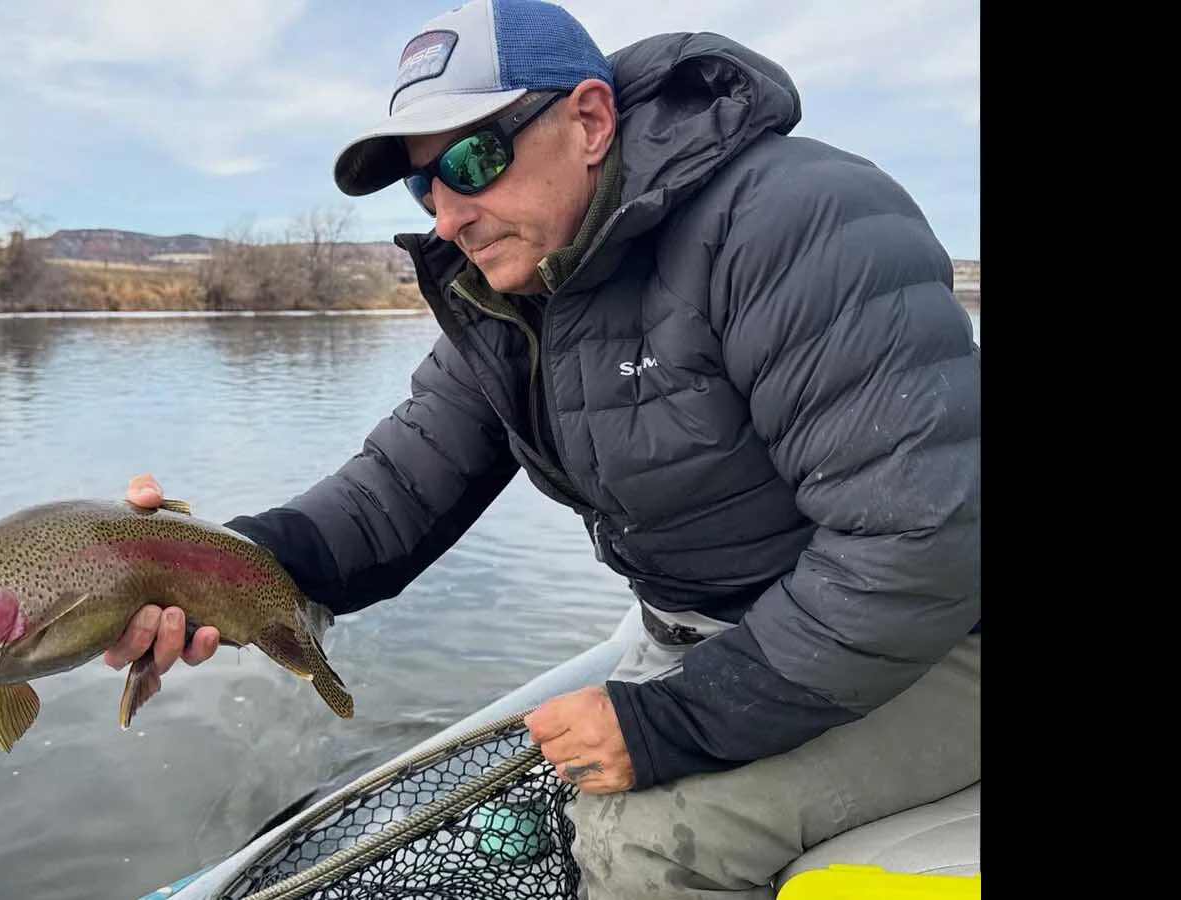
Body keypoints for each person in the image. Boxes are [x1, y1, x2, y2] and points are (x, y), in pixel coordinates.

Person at [103, 0, 980, 896]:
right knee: (540, 823)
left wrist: (666, 725)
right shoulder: (518, 296)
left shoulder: (797, 222)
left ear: (591, 120)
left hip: (935, 642)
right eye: (422, 187)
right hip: (717, 635)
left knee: (642, 845)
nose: (448, 217)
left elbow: (918, 550)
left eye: (472, 160)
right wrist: (207, 564)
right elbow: (391, 496)